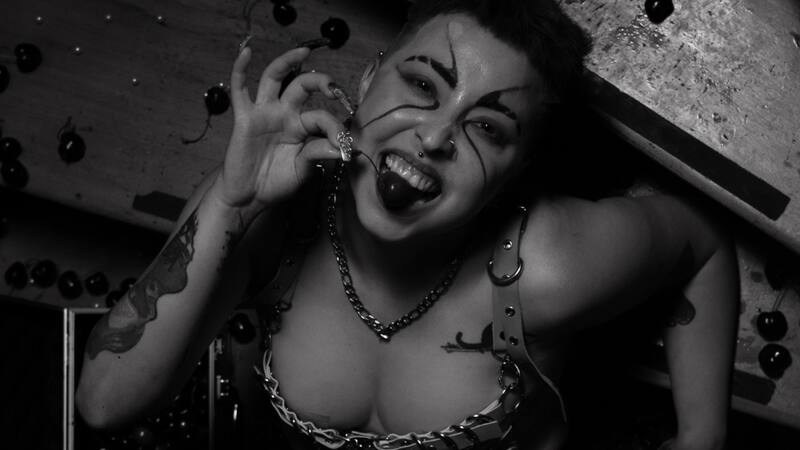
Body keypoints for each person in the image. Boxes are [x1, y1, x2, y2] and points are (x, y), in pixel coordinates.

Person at [76, 1, 739, 449]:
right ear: (367, 79)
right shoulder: (267, 213)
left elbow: (702, 243)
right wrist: (231, 205)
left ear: (517, 171)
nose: (435, 136)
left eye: (487, 127)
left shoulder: (548, 266)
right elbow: (103, 406)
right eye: (423, 86)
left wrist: (702, 435)